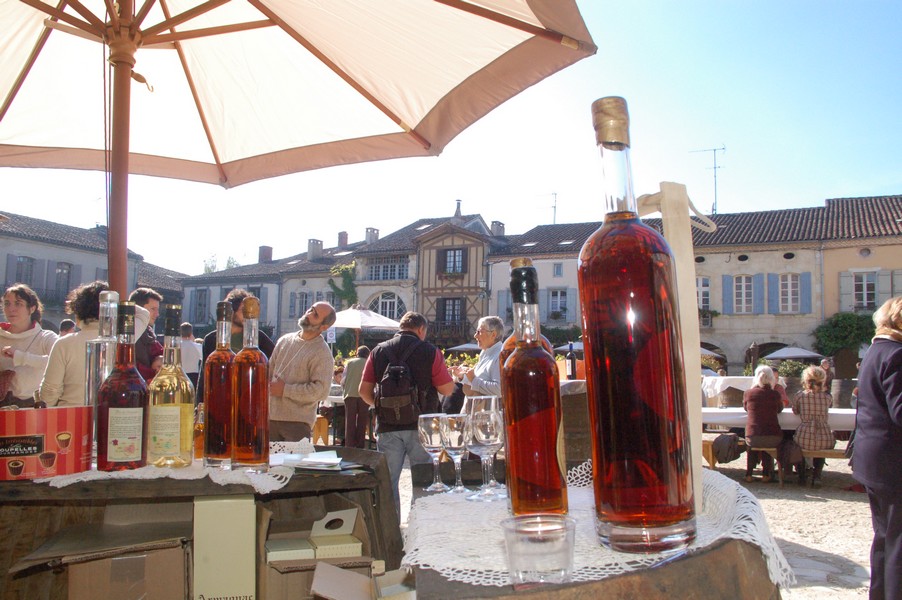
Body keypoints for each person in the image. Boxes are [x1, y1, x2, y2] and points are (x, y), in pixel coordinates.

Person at [359, 312, 456, 516]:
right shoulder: (430, 351)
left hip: (387, 426)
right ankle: (419, 528)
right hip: (423, 425)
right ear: (421, 329)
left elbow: (363, 392)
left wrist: (383, 407)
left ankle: (392, 532)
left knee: (388, 481)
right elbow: (447, 390)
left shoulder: (378, 351)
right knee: (423, 479)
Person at [852, 296, 902, 600]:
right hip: (893, 462)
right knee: (896, 541)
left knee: (885, 539)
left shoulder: (876, 351)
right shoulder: (896, 354)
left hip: (873, 460)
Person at [40, 281, 150, 406]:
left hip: (71, 415)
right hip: (108, 413)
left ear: (78, 310)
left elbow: (50, 392)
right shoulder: (123, 340)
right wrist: (114, 301)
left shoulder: (64, 343)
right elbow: (143, 314)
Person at [268, 302, 336, 442]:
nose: (309, 314)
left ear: (323, 327)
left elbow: (321, 391)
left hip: (297, 424)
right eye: (311, 309)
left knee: (292, 464)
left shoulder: (322, 353)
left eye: (315, 314)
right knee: (267, 464)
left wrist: (285, 390)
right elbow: (268, 374)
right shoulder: (284, 340)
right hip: (269, 418)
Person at [197, 288, 276, 400]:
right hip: (220, 398)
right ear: (232, 311)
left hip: (248, 399)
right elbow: (204, 378)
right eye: (243, 310)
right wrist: (199, 405)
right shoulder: (211, 339)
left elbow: (276, 363)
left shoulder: (259, 338)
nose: (247, 315)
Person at [0, 284, 57, 407]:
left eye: (18, 303)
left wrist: (21, 357)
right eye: (7, 303)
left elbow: (58, 363)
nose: (11, 309)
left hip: (32, 409)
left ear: (32, 308)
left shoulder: (46, 337)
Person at [793, 365, 835, 486]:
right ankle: (817, 476)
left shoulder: (800, 396)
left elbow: (795, 411)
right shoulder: (827, 397)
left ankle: (801, 475)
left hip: (805, 435)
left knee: (796, 445)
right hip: (824, 435)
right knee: (820, 448)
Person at [742, 365, 785, 483]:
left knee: (753, 440)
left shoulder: (748, 393)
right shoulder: (775, 394)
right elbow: (779, 409)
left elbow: (746, 408)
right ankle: (766, 474)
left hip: (753, 436)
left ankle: (749, 474)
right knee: (768, 438)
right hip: (773, 436)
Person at [453, 316, 504, 398]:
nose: (475, 336)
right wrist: (463, 376)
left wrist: (473, 379)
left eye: (479, 332)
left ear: (493, 334)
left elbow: (499, 389)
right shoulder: (485, 353)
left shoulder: (500, 355)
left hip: (489, 410)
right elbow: (477, 383)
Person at [128, 287, 163, 382]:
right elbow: (134, 369)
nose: (157, 314)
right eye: (153, 309)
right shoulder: (132, 333)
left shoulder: (148, 332)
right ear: (139, 309)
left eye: (157, 309)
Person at [341, 346, 371, 448]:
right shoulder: (369, 363)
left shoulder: (349, 363)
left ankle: (349, 446)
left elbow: (343, 380)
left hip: (350, 395)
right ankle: (360, 445)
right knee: (362, 421)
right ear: (367, 354)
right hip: (364, 395)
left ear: (357, 353)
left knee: (350, 422)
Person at [179, 322, 203, 387]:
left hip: (180, 375)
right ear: (191, 333)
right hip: (193, 376)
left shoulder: (176, 347)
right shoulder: (197, 346)